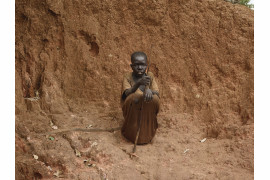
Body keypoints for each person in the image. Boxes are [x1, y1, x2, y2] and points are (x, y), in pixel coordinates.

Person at [121, 51, 160, 145]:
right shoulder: (127, 77)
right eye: (136, 65)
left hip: (147, 109)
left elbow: (157, 93)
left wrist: (150, 91)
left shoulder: (149, 76)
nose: (139, 67)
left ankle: (147, 132)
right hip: (133, 108)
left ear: (146, 65)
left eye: (142, 65)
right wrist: (139, 84)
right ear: (131, 66)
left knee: (153, 98)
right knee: (135, 97)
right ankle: (131, 132)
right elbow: (126, 93)